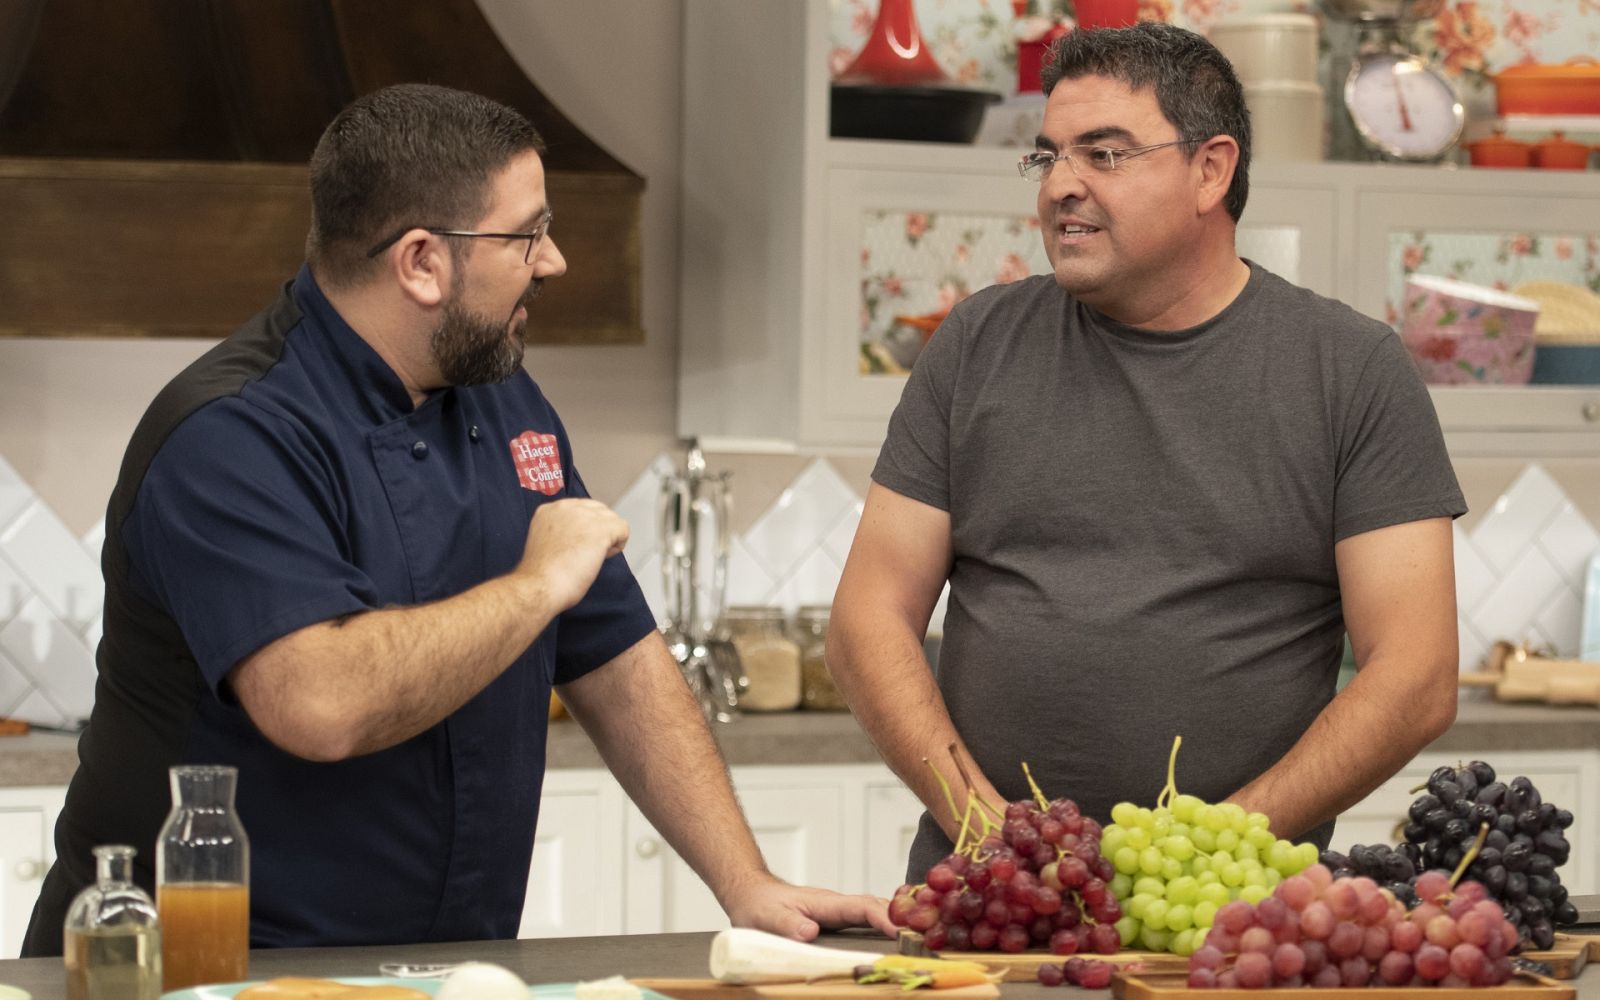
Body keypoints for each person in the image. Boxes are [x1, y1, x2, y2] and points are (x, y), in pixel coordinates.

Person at [24, 83, 892, 954]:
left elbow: (616, 655)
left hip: (444, 963)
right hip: (203, 968)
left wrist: (748, 883)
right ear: (422, 262)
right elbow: (320, 702)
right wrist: (535, 585)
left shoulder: (504, 397)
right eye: (527, 235)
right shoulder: (232, 434)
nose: (552, 261)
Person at [826, 22, 1465, 883]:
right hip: (990, 899)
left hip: (1231, 910)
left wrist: (1196, 853)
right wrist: (987, 837)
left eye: (1105, 154)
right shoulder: (977, 342)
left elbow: (1417, 677)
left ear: (1211, 169)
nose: (1061, 186)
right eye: (1048, 156)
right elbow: (867, 621)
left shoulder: (1349, 370)